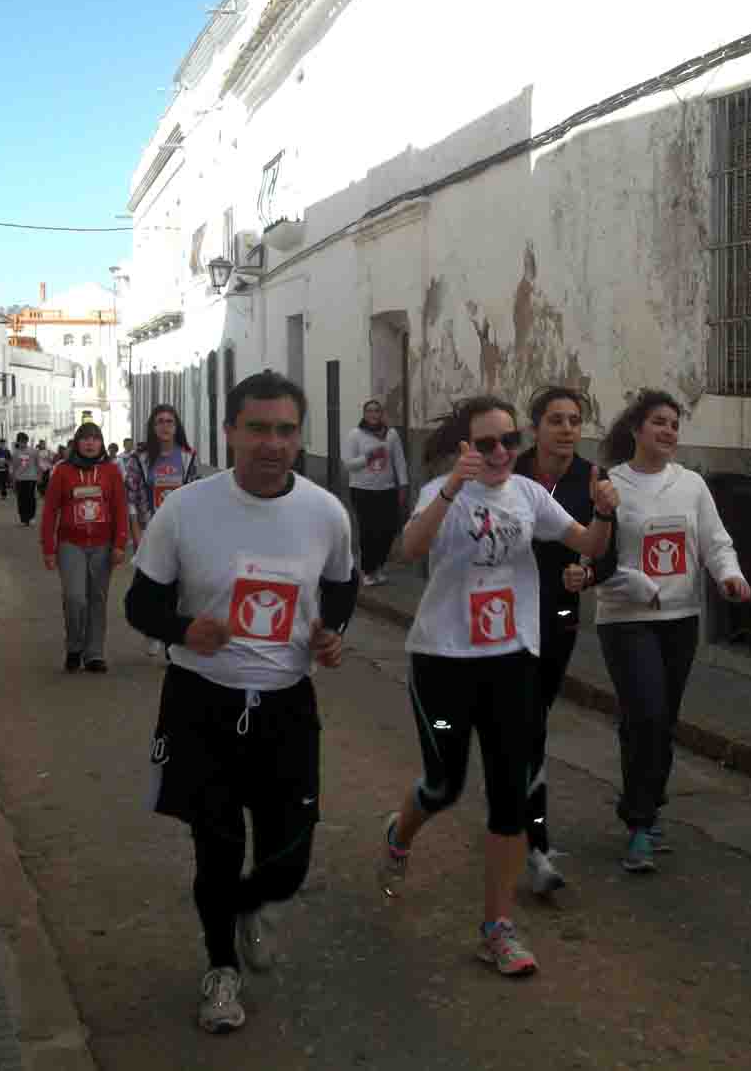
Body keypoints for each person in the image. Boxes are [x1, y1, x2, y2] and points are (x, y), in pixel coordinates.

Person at [126, 371, 356, 1034]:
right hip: (202, 702)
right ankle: (221, 967)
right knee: (217, 845)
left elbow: (341, 586)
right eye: (257, 428)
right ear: (230, 431)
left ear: (299, 436)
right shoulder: (186, 509)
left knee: (291, 852)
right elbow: (140, 603)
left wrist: (332, 632)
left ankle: (254, 904)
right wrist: (182, 630)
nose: (272, 443)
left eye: (285, 430)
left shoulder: (324, 512)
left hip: (286, 705)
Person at [378, 396, 616, 978]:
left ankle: (497, 928)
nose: (502, 452)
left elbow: (588, 545)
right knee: (445, 782)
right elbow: (411, 549)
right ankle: (399, 832)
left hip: (511, 661)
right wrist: (453, 488)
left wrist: (605, 513)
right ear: (465, 447)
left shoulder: (529, 495)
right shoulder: (442, 493)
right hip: (443, 663)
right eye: (487, 444)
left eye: (510, 440)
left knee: (510, 794)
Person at [567, 389, 750, 874]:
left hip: (680, 619)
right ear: (636, 429)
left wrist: (730, 575)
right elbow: (594, 555)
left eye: (674, 424)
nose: (668, 431)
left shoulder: (691, 484)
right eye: (659, 422)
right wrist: (636, 584)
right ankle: (640, 822)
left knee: (660, 721)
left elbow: (715, 542)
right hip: (626, 620)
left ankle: (646, 808)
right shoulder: (611, 485)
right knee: (646, 714)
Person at [513, 385, 601, 896]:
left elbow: (609, 550)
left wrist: (586, 575)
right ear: (536, 428)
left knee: (534, 721)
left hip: (558, 616)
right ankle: (536, 845)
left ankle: (524, 824)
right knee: (527, 725)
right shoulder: (512, 474)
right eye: (556, 420)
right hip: (507, 617)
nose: (567, 429)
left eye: (574, 420)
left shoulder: (593, 479)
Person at [41, 423, 129, 674]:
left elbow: (120, 508)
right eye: (85, 439)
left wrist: (120, 543)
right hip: (71, 545)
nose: (90, 443)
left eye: (95, 439)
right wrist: (48, 548)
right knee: (75, 598)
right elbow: (50, 511)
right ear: (77, 443)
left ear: (101, 443)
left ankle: (94, 654)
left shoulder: (111, 471)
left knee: (97, 600)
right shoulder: (62, 471)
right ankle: (74, 646)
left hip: (102, 545)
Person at [124, 405, 200, 658]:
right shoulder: (139, 459)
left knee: (179, 585)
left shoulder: (188, 457)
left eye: (169, 421)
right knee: (151, 583)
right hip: (150, 530)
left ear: (176, 426)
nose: (165, 426)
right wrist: (136, 532)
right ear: (152, 427)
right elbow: (131, 497)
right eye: (160, 421)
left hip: (180, 530)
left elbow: (195, 495)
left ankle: (171, 640)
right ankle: (153, 630)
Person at [341, 399, 409, 586]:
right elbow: (348, 464)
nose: (373, 414)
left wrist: (403, 486)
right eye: (369, 411)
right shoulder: (355, 435)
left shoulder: (391, 435)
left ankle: (379, 567)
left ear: (381, 414)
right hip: (362, 490)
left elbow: (399, 462)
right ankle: (368, 570)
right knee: (369, 531)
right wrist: (369, 457)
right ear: (364, 414)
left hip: (387, 490)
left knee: (388, 530)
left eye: (376, 411)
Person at [10, 433, 42, 525]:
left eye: (24, 441)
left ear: (26, 441)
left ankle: (31, 517)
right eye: (20, 442)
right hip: (20, 479)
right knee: (21, 499)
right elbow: (14, 467)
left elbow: (38, 464)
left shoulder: (34, 451)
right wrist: (13, 480)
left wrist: (39, 476)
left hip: (31, 478)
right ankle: (23, 518)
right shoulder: (15, 453)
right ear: (18, 442)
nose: (22, 443)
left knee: (31, 498)